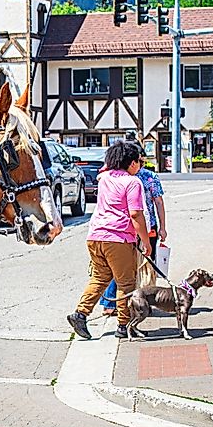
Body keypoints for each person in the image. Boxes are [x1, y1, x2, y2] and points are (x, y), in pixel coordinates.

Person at [66, 141, 152, 341]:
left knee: (100, 278)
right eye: (139, 161)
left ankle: (80, 314)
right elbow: (136, 215)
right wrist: (146, 242)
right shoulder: (132, 182)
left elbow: (106, 168)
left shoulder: (103, 177)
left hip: (95, 235)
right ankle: (123, 325)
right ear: (131, 163)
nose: (140, 165)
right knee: (126, 283)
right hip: (118, 238)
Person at [94, 143, 167, 317]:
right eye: (139, 160)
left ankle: (112, 304)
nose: (140, 163)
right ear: (134, 161)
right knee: (136, 268)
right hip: (140, 229)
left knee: (117, 269)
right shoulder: (145, 178)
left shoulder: (108, 177)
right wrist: (162, 227)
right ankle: (129, 310)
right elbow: (156, 204)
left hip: (114, 230)